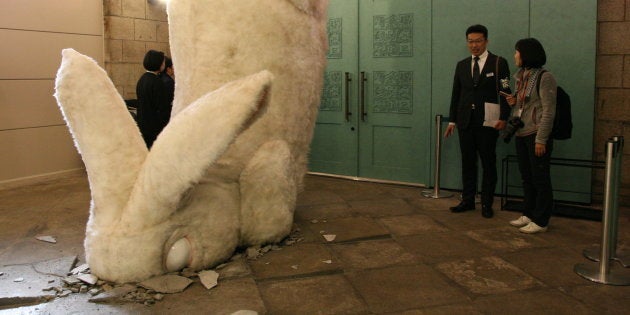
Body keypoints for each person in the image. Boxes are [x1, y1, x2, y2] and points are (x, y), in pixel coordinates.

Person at [444, 24, 511, 219]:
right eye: (470, 41)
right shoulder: (462, 65)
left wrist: (504, 118)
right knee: (468, 163)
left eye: (478, 41)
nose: (474, 45)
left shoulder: (499, 62)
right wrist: (452, 121)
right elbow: (456, 95)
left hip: (488, 122)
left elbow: (505, 92)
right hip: (465, 122)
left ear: (486, 41)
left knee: (488, 163)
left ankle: (487, 203)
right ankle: (468, 200)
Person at [502, 38, 556, 234]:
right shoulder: (522, 76)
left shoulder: (544, 77)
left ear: (526, 54)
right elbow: (525, 104)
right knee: (527, 177)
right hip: (521, 132)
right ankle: (528, 213)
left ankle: (541, 220)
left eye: (517, 52)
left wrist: (541, 139)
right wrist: (514, 102)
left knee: (540, 178)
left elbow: (549, 110)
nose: (515, 55)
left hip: (536, 134)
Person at [136, 50, 170, 148]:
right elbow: (162, 108)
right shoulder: (157, 82)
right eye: (163, 62)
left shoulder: (142, 79)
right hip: (155, 128)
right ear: (158, 63)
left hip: (143, 125)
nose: (164, 64)